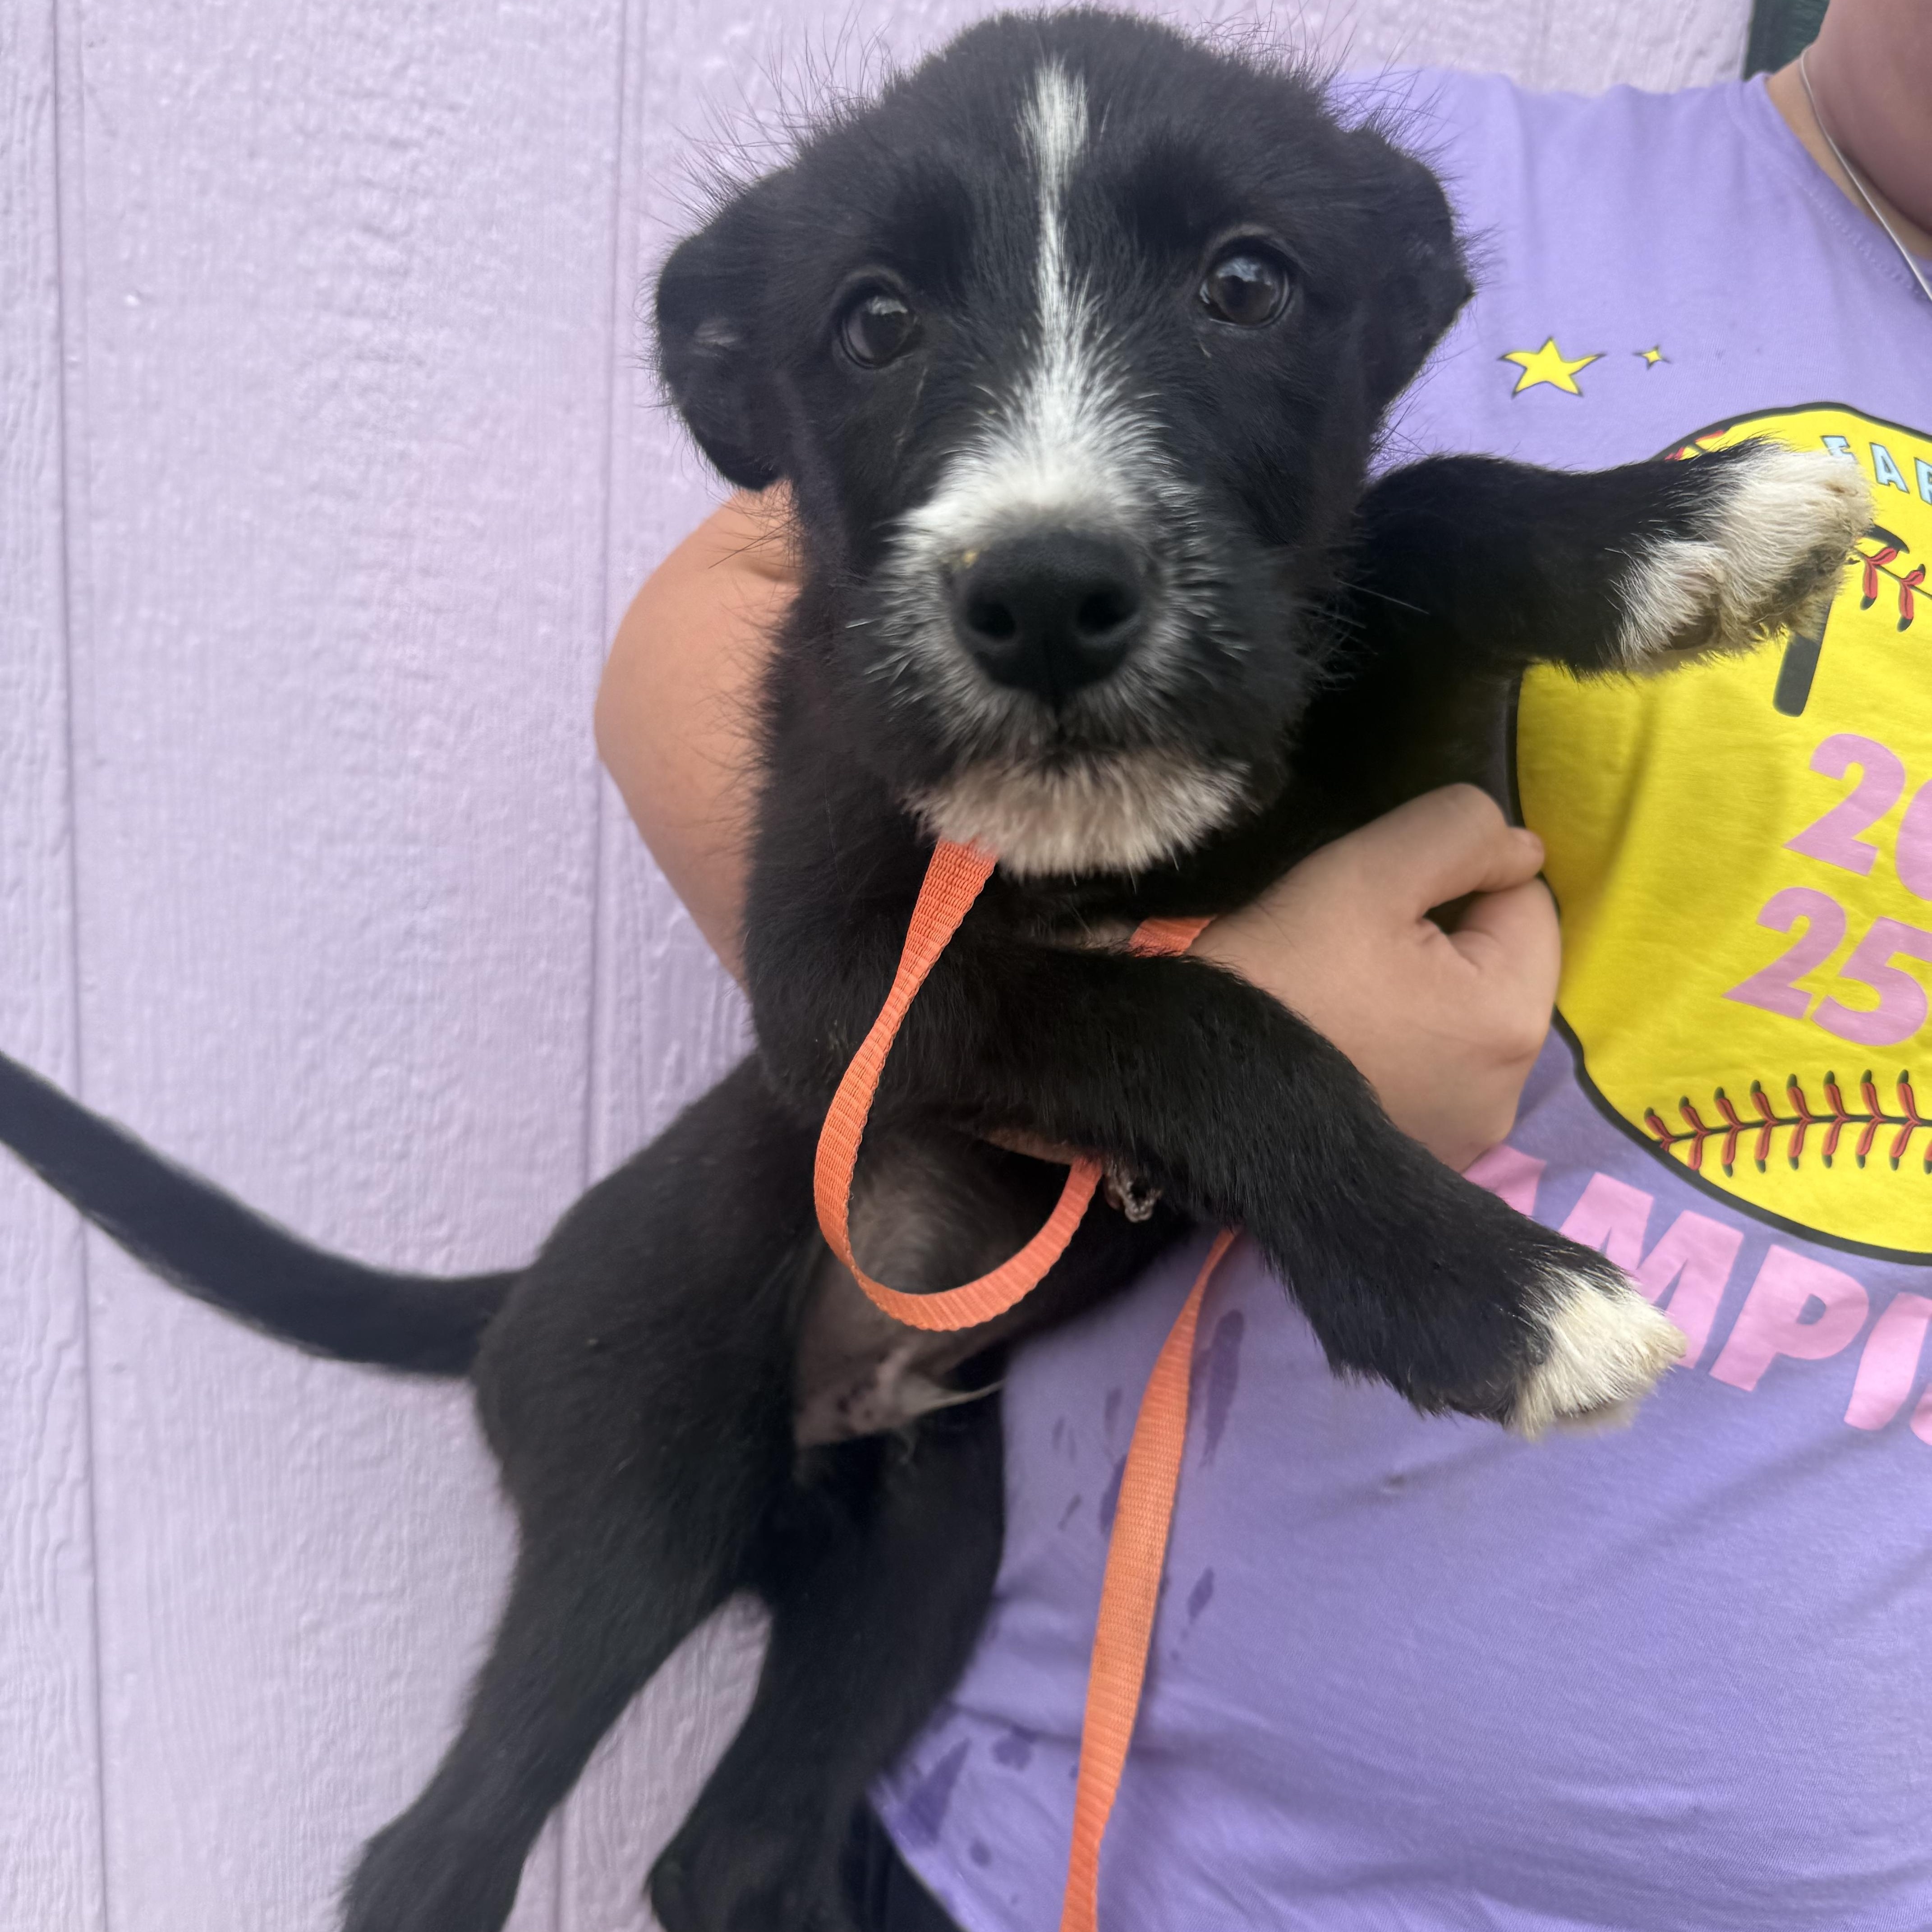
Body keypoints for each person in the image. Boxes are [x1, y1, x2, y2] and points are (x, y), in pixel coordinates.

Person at [600, 3, 1932, 1924]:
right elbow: (725, 658)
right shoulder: (1347, 169)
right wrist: (1205, 1045)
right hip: (1116, 1856)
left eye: (1234, 293)